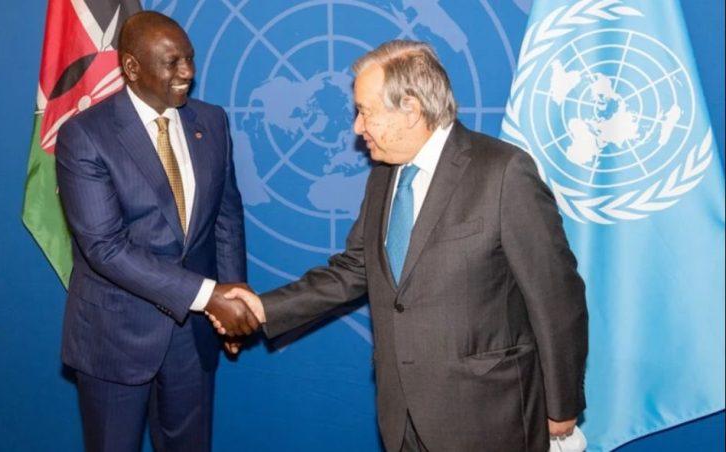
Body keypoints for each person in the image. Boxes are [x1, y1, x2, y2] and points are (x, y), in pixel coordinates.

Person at [219, 40, 588, 451]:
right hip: (401, 415)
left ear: (410, 108)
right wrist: (264, 309)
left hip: (488, 414)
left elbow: (556, 296)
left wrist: (562, 405)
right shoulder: (384, 176)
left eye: (364, 111)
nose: (358, 127)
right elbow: (355, 268)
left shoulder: (503, 172)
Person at [55, 11, 259, 452]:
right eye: (172, 62)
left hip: (194, 337)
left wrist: (233, 294)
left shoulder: (212, 120)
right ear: (131, 67)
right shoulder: (85, 136)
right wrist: (210, 296)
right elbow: (105, 249)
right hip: (115, 335)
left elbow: (226, 216)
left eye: (189, 59)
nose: (188, 72)